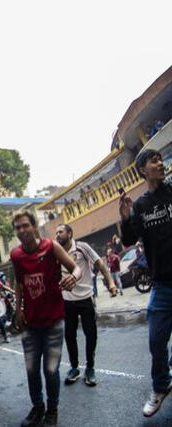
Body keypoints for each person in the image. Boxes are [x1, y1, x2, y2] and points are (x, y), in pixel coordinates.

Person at [10, 211, 81, 427]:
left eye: (25, 226)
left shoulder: (51, 247)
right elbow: (19, 283)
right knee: (32, 369)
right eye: (18, 228)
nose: (22, 231)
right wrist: (18, 309)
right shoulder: (16, 255)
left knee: (50, 370)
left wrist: (73, 277)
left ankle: (52, 410)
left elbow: (75, 268)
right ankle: (37, 408)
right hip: (30, 323)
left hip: (53, 321)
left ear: (34, 226)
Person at [119, 149, 172, 417]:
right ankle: (161, 386)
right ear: (142, 169)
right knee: (156, 340)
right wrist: (126, 217)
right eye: (154, 161)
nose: (160, 163)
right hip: (163, 284)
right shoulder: (140, 205)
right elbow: (128, 240)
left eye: (161, 159)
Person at [55, 224, 117, 387]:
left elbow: (100, 265)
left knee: (91, 334)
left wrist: (111, 283)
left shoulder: (82, 247)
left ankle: (90, 368)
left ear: (70, 233)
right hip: (67, 300)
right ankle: (74, 368)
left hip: (86, 298)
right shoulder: (56, 252)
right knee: (69, 336)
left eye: (60, 232)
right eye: (56, 233)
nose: (57, 235)